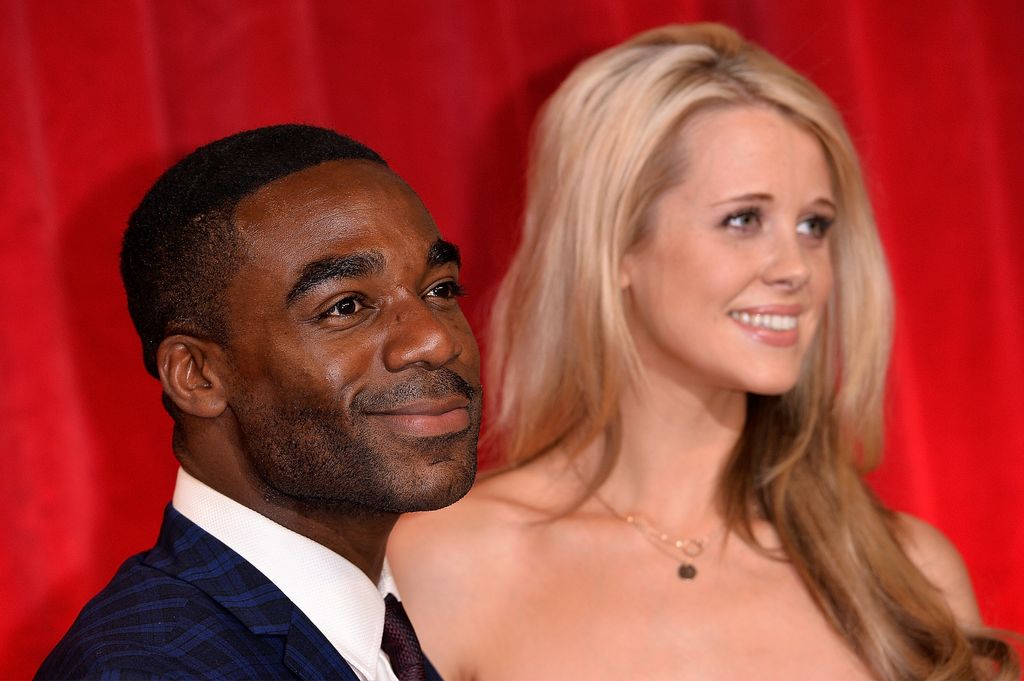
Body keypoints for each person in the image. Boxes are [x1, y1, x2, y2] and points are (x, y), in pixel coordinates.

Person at [389, 23, 1018, 681]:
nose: (796, 267)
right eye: (744, 219)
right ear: (618, 247)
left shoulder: (908, 572)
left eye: (815, 225)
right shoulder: (445, 562)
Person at [37, 124, 482, 680]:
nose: (436, 340)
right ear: (198, 375)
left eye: (439, 289)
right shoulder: (150, 670)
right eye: (345, 307)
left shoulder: (370, 630)